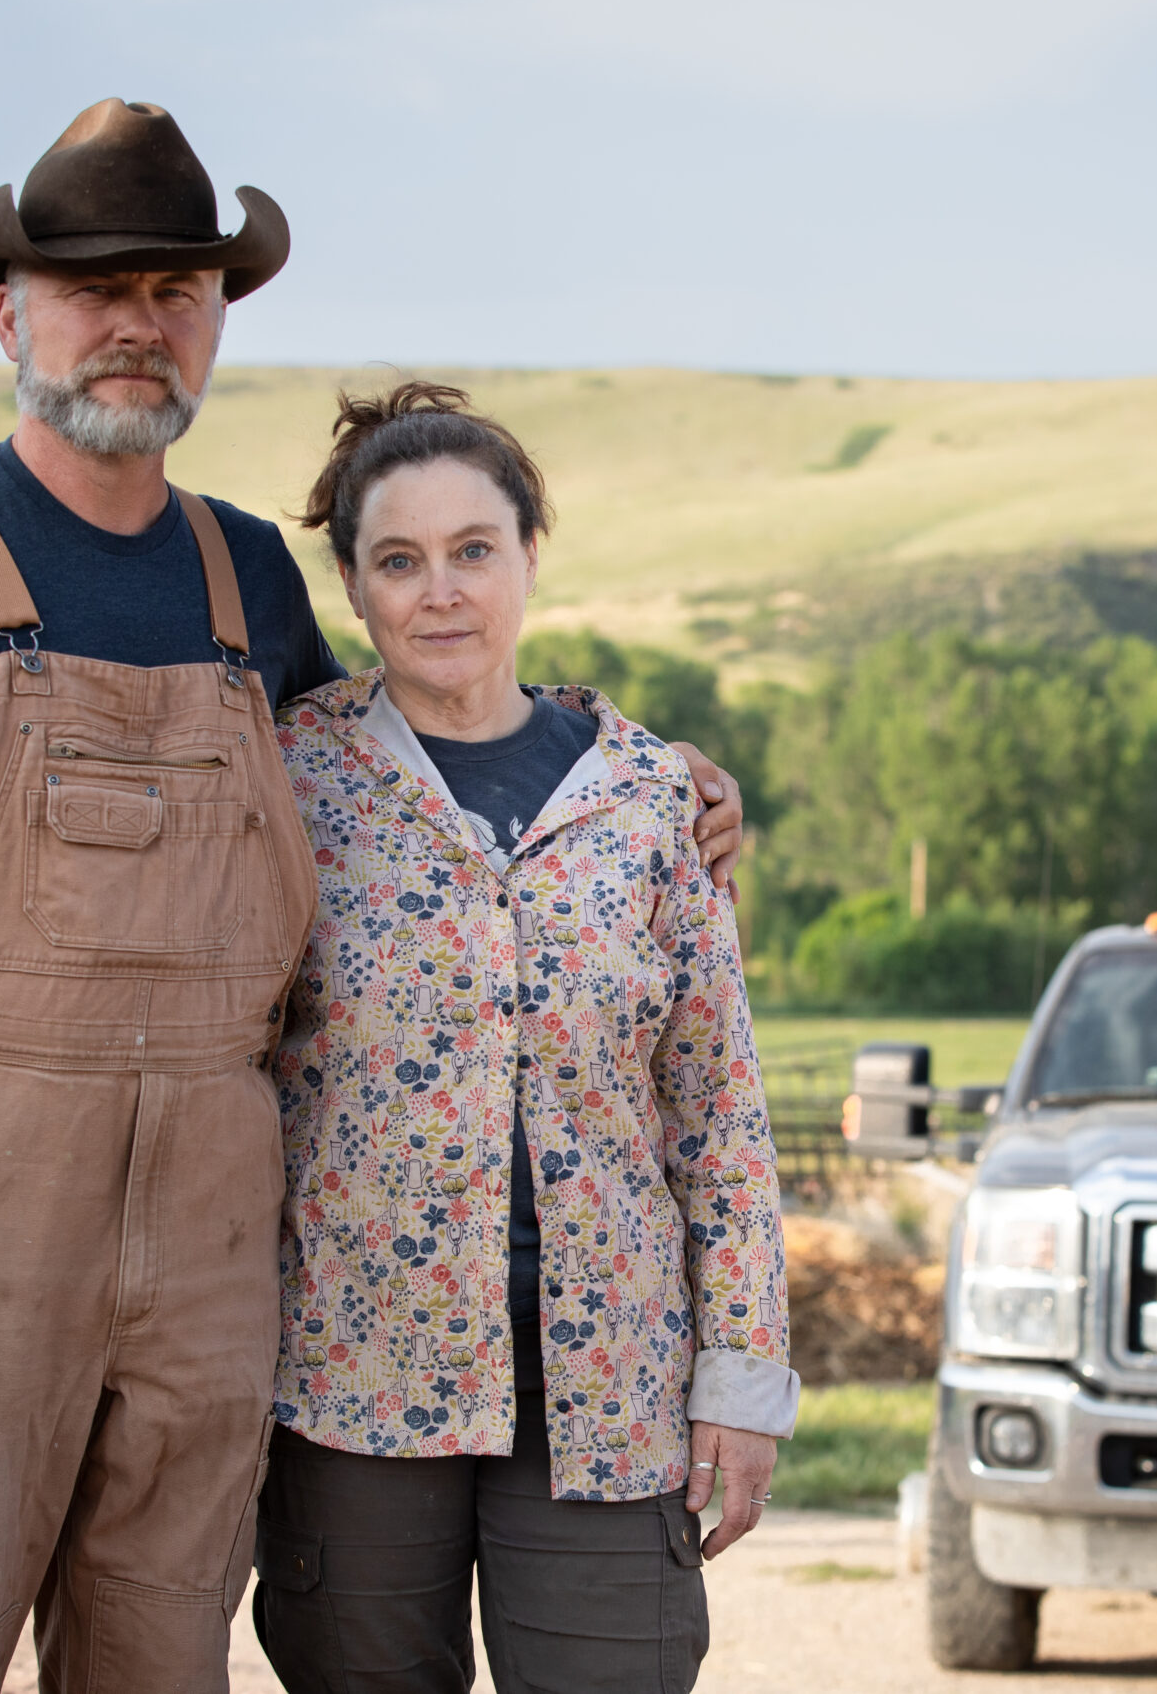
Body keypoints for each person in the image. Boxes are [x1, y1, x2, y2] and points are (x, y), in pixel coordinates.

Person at [0, 104, 745, 1693]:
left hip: (210, 1240)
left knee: (161, 1654)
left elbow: (415, 769)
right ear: (10, 312)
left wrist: (637, 769)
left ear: (216, 324)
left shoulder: (248, 584)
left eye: (178, 292)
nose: (139, 327)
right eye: (95, 289)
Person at [259, 384, 796, 1694]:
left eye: (473, 550)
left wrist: (741, 1377)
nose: (441, 592)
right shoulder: (288, 784)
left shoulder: (650, 799)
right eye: (400, 560)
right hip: (357, 1382)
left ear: (530, 556)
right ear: (353, 583)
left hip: (609, 1391)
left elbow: (717, 1110)